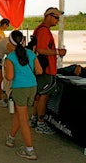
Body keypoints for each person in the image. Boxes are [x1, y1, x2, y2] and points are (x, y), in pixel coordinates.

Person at [4, 30, 43, 160]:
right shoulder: (31, 53)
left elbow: (9, 77)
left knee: (23, 118)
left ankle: (30, 150)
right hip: (32, 87)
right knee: (20, 114)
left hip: (20, 88)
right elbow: (39, 70)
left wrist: (6, 67)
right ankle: (11, 138)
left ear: (10, 42)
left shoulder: (10, 57)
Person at [29, 7, 66, 135]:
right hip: (46, 69)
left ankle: (34, 119)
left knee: (39, 95)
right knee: (44, 96)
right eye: (56, 17)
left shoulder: (40, 29)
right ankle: (40, 123)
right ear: (49, 16)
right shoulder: (44, 31)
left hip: (42, 68)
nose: (57, 20)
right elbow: (41, 49)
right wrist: (58, 52)